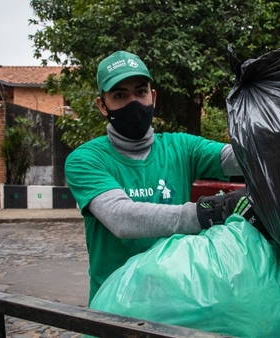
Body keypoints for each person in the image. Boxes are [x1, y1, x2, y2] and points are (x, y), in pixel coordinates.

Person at [65, 51, 261, 304]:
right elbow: (121, 218)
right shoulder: (86, 159)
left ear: (153, 97)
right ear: (102, 105)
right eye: (120, 95)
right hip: (116, 304)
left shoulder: (181, 147)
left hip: (175, 298)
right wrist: (209, 212)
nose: (133, 103)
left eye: (140, 92)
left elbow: (238, 157)